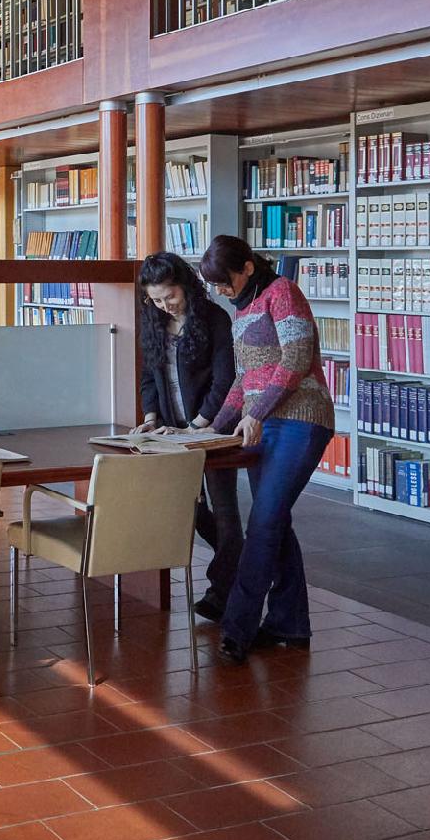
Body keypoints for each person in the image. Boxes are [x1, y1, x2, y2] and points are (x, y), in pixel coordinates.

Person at [199, 235, 336, 666]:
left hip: (301, 420)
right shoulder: (242, 311)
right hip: (262, 423)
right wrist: (205, 429)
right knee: (275, 524)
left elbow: (295, 359)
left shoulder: (284, 293)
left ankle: (237, 628)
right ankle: (289, 624)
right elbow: (243, 381)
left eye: (224, 282)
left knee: (262, 524)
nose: (220, 291)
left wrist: (256, 413)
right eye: (214, 286)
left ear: (247, 269)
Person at [135, 252, 242, 622]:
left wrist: (198, 425)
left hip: (213, 430)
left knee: (225, 510)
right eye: (157, 300)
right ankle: (239, 562)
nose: (165, 306)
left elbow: (225, 380)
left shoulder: (214, 319)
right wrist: (151, 417)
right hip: (171, 432)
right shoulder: (153, 322)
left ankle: (222, 590)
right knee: (187, 509)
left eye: (171, 297)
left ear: (186, 286)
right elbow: (149, 376)